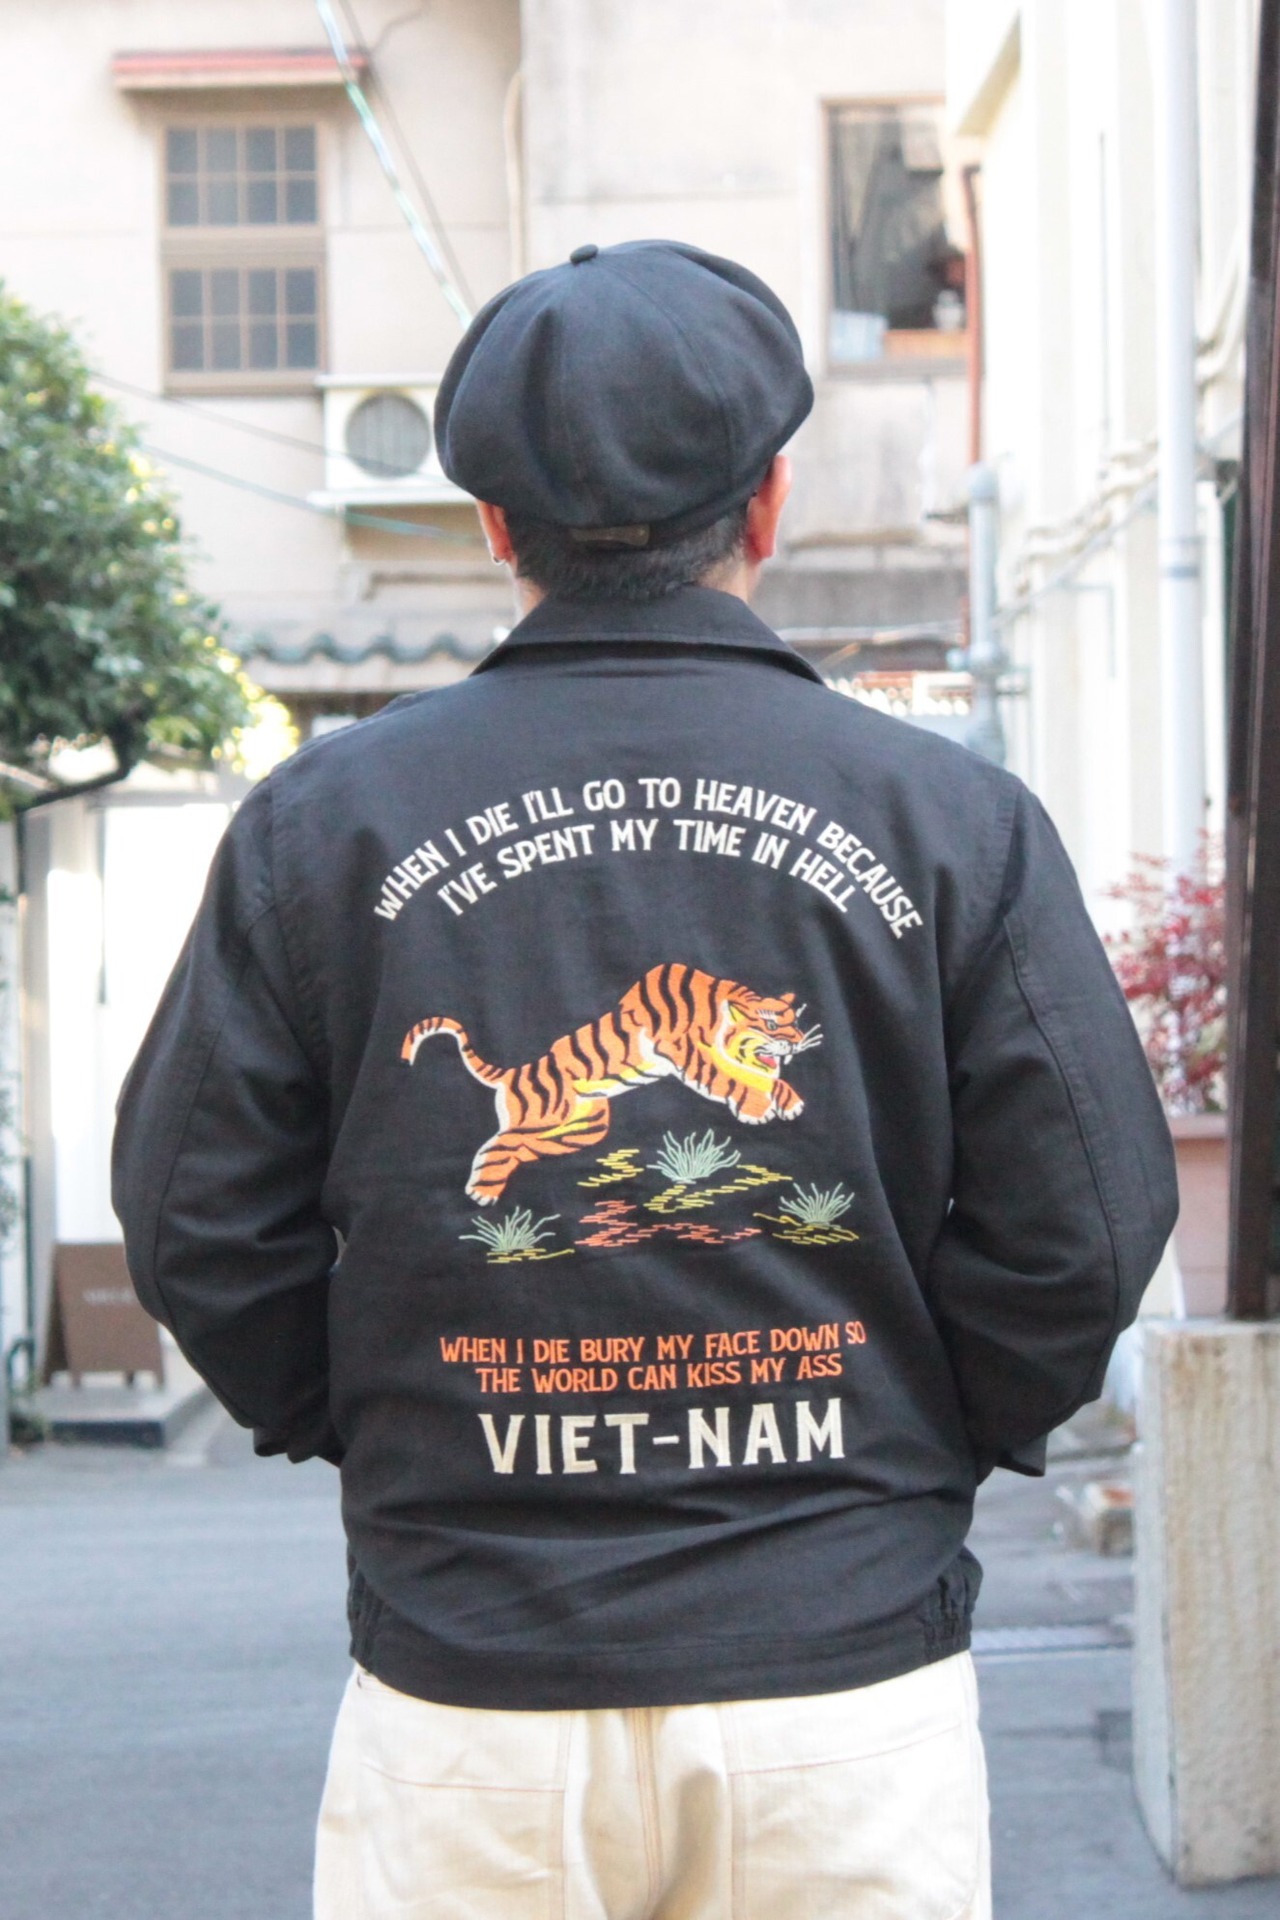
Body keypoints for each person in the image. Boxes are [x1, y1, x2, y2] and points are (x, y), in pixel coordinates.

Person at [113, 240, 1178, 1919]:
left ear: (493, 528)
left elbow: (192, 1221)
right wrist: (916, 1442)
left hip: (471, 1697)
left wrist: (387, 1427)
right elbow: (1092, 1219)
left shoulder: (326, 825)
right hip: (842, 1693)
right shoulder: (945, 818)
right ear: (769, 504)